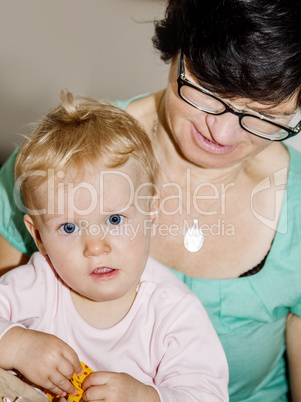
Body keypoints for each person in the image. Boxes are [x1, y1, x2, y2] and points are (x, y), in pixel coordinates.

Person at [0, 0, 301, 400]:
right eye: (208, 91)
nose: (224, 133)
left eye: (265, 114)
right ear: (175, 49)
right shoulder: (56, 164)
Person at [0, 90, 229, 402]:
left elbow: (208, 396)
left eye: (115, 220)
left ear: (150, 213)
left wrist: (148, 397)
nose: (96, 247)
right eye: (69, 227)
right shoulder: (36, 284)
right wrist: (16, 344)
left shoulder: (173, 312)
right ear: (39, 237)